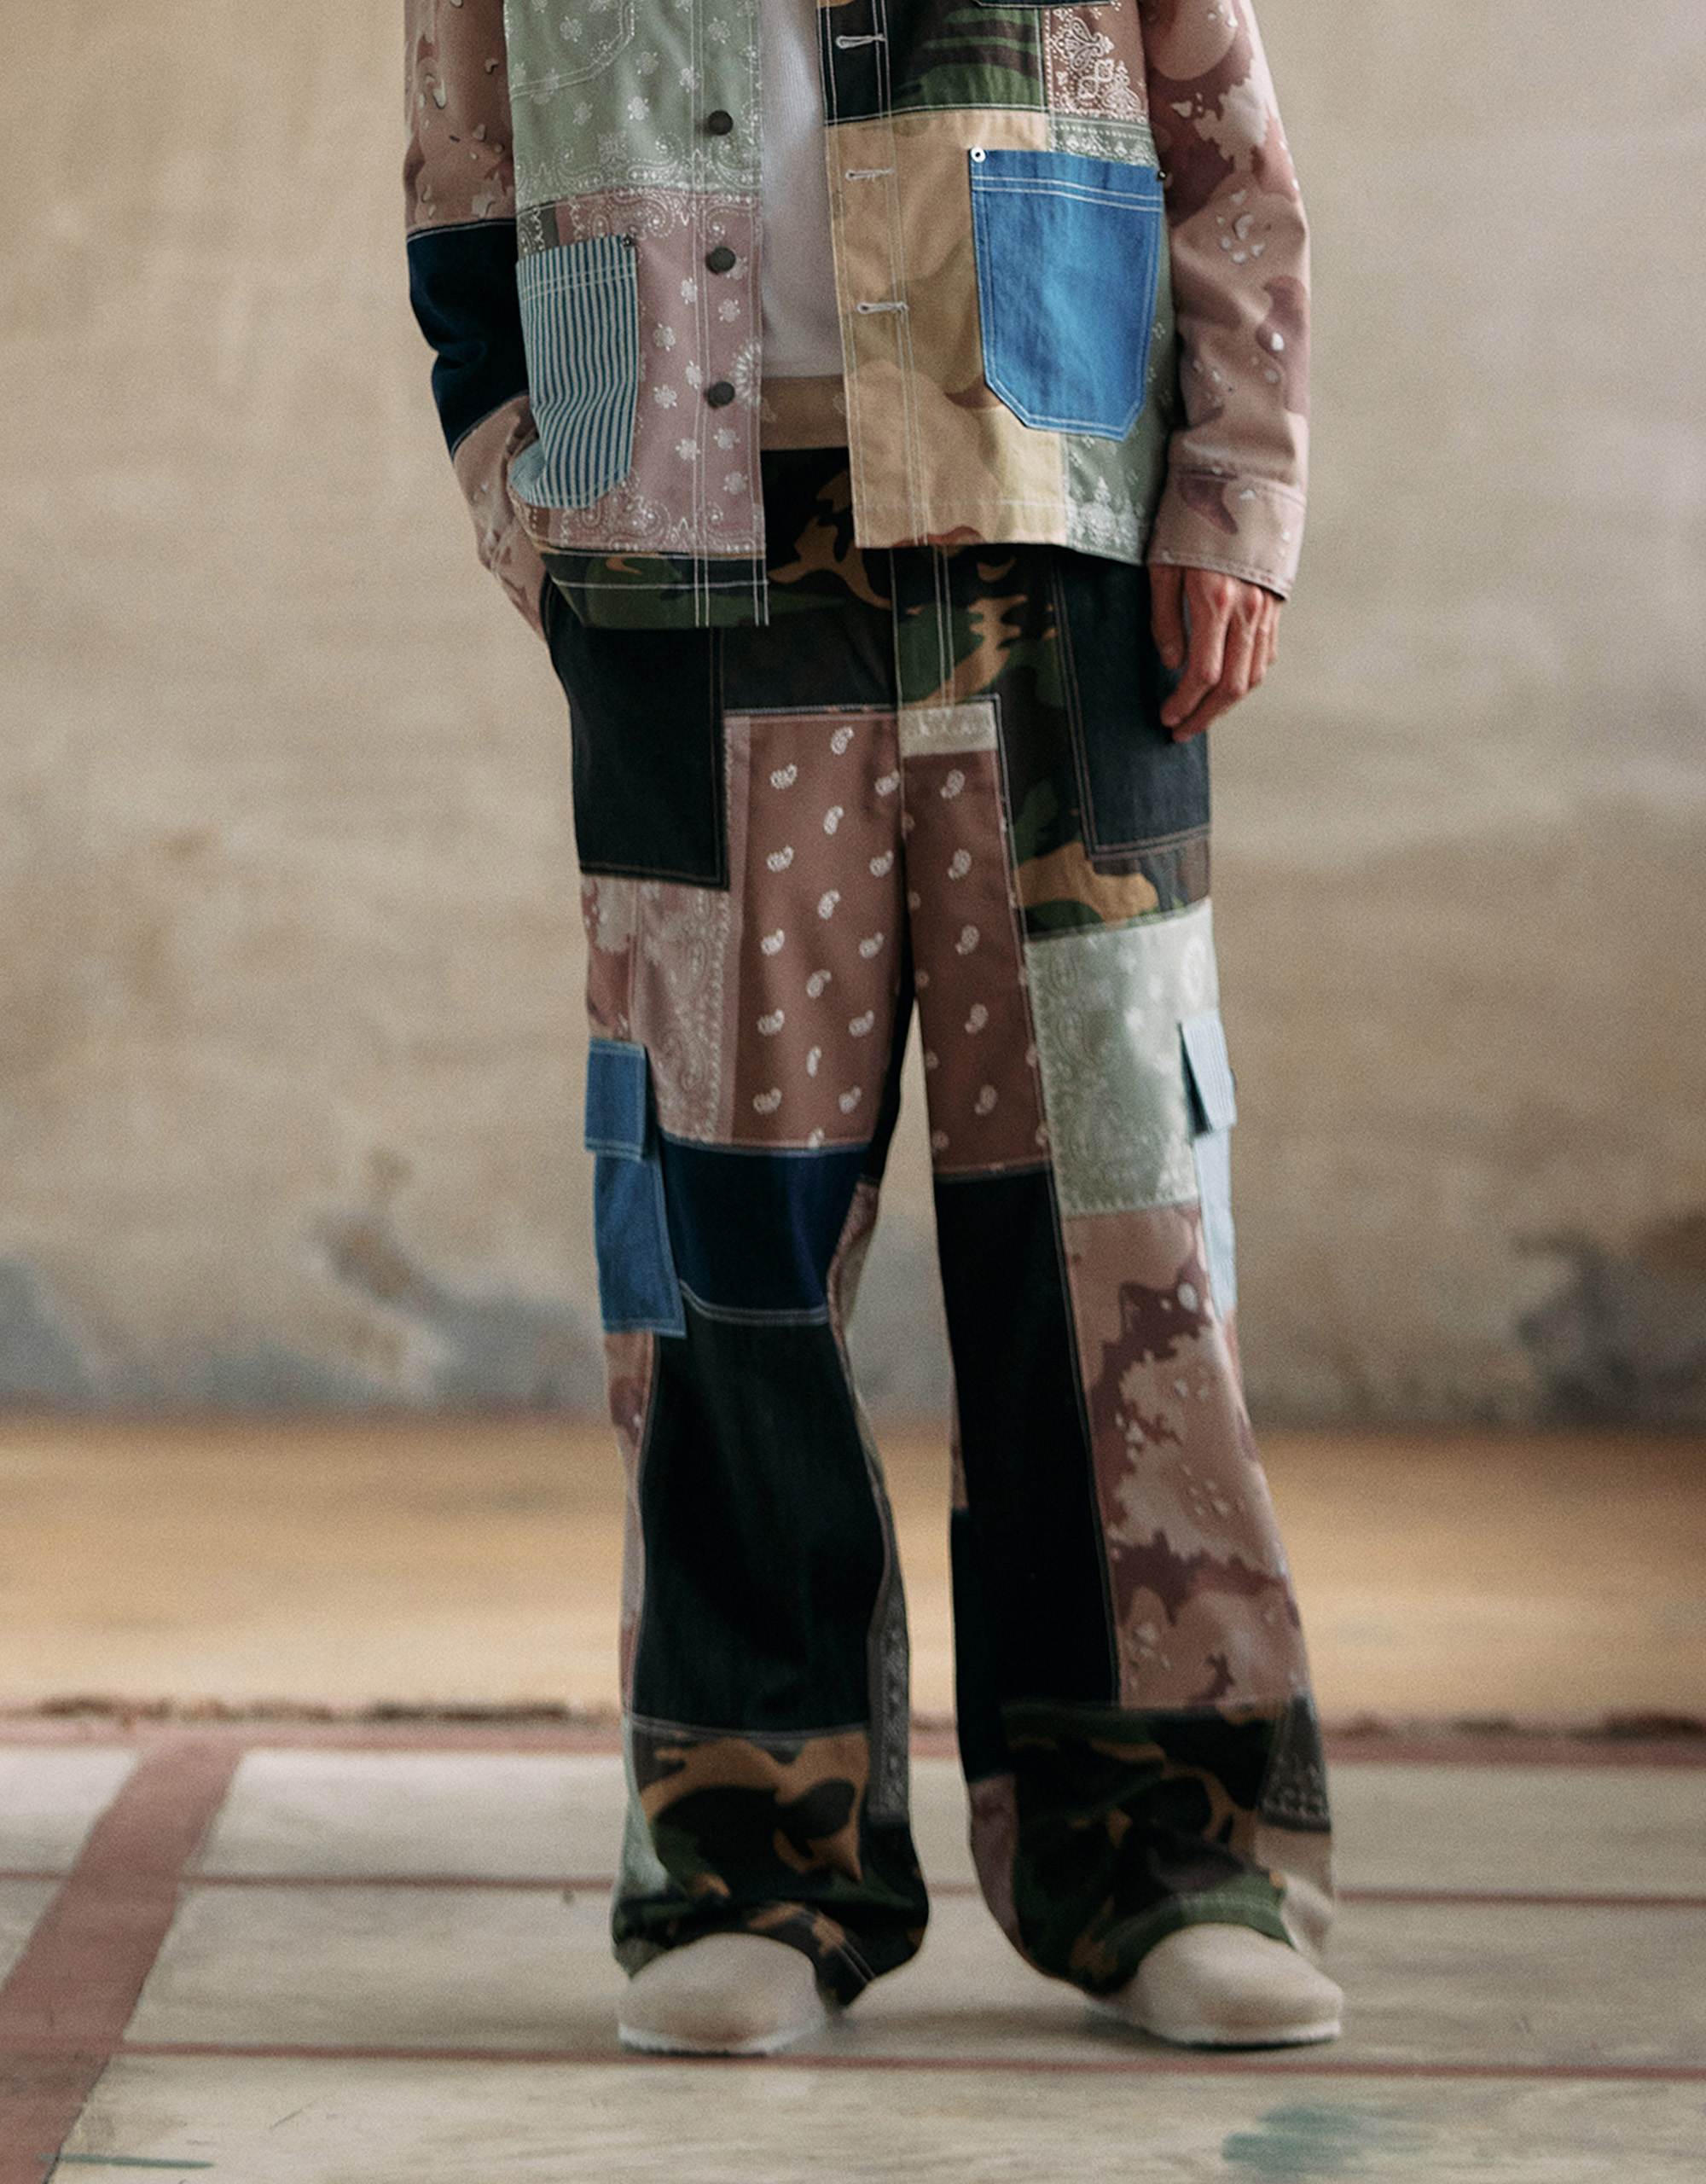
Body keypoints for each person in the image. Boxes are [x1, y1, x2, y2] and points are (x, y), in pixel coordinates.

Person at [405, 0, 1340, 2055]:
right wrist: (534, 513)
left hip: (1060, 538)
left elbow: (1224, 152)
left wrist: (1233, 492)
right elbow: (463, 191)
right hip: (685, 550)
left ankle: (1168, 1851)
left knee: (1112, 1221)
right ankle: (754, 1855)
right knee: (720, 1235)